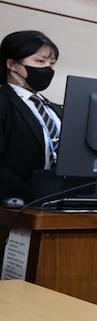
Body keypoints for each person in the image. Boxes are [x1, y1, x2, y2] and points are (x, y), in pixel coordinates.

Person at [0, 30, 61, 201]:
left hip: (54, 201)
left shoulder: (53, 109)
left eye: (52, 63)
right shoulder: (3, 102)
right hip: (13, 203)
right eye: (40, 61)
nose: (48, 68)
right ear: (12, 64)